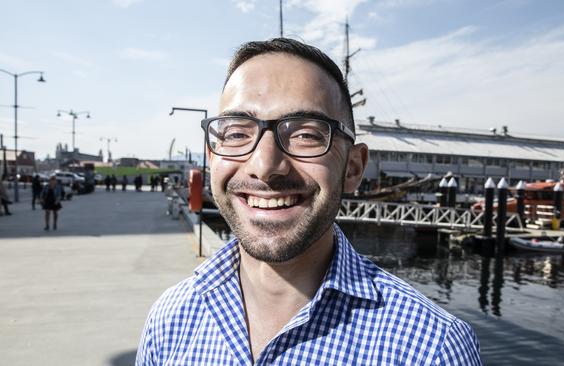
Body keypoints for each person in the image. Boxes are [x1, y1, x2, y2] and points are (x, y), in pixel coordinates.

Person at [136, 38, 481, 365]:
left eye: (305, 134)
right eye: (238, 132)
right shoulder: (170, 319)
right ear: (212, 157)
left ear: (353, 167)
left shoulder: (431, 349)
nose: (265, 166)